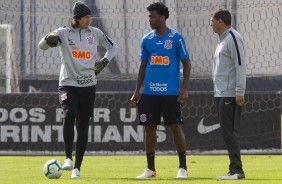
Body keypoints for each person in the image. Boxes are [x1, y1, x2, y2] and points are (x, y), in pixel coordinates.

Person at [38, 1, 118, 179]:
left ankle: (77, 169)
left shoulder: (95, 33)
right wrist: (47, 38)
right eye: (86, 17)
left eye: (90, 16)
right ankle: (68, 158)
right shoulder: (63, 33)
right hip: (68, 83)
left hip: (88, 84)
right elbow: (40, 46)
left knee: (83, 125)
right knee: (69, 113)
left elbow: (114, 47)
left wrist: (104, 61)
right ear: (77, 19)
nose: (90, 19)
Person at [130, 2, 191, 179]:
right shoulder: (147, 39)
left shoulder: (176, 38)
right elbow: (143, 65)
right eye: (149, 16)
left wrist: (184, 88)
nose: (150, 20)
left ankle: (183, 168)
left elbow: (186, 62)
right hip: (149, 93)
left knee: (174, 127)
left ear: (162, 18)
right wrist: (137, 90)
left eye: (153, 16)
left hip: (170, 92)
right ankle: (150, 169)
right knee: (149, 129)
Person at [210, 9, 246, 180]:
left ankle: (237, 171)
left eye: (212, 20)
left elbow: (240, 65)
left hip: (230, 94)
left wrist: (239, 91)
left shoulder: (233, 37)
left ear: (220, 21)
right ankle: (233, 170)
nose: (211, 23)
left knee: (230, 132)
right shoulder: (222, 41)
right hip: (221, 94)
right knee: (227, 132)